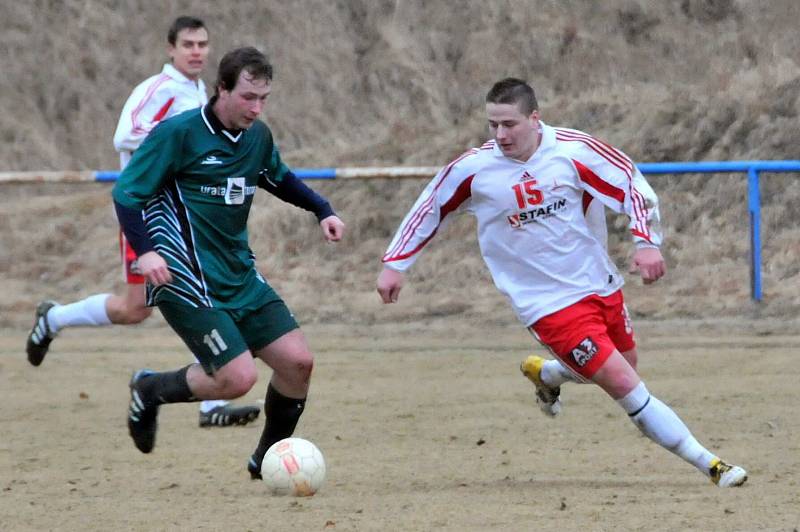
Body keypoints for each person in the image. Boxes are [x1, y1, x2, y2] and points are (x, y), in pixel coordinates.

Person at [376, 78, 747, 488]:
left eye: (509, 124)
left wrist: (646, 241)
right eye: (492, 125)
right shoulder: (474, 169)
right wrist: (396, 264)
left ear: (535, 119)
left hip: (597, 282)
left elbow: (631, 184)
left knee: (625, 365)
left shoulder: (573, 151)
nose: (500, 135)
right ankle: (712, 465)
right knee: (625, 384)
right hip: (545, 304)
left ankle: (549, 376)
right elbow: (429, 208)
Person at [112, 46, 345, 478]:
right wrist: (145, 251)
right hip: (181, 276)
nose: (256, 109)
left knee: (298, 363)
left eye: (264, 99)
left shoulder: (257, 137)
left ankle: (268, 463)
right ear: (222, 89)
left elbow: (278, 177)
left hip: (238, 273)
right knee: (237, 379)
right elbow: (127, 194)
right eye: (248, 98)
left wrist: (322, 209)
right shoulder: (178, 134)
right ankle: (149, 389)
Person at [25, 16, 261, 428]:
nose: (196, 51)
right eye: (187, 44)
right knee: (136, 309)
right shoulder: (157, 90)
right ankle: (54, 317)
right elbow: (124, 136)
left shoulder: (201, 91)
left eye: (203, 44)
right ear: (171, 49)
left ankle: (212, 404)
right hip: (149, 214)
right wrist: (181, 138)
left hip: (190, 218)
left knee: (207, 295)